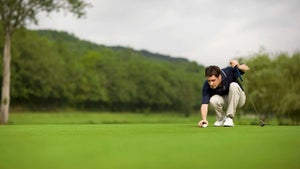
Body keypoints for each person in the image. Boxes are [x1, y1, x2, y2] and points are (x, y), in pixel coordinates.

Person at [198, 59, 250, 127]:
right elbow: (204, 105)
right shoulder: (207, 85)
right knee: (213, 99)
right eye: (209, 81)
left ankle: (230, 118)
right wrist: (204, 119)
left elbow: (246, 68)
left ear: (219, 76)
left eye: (213, 80)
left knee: (233, 85)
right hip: (227, 101)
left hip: (240, 99)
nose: (211, 83)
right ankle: (221, 118)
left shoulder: (229, 71)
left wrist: (238, 66)